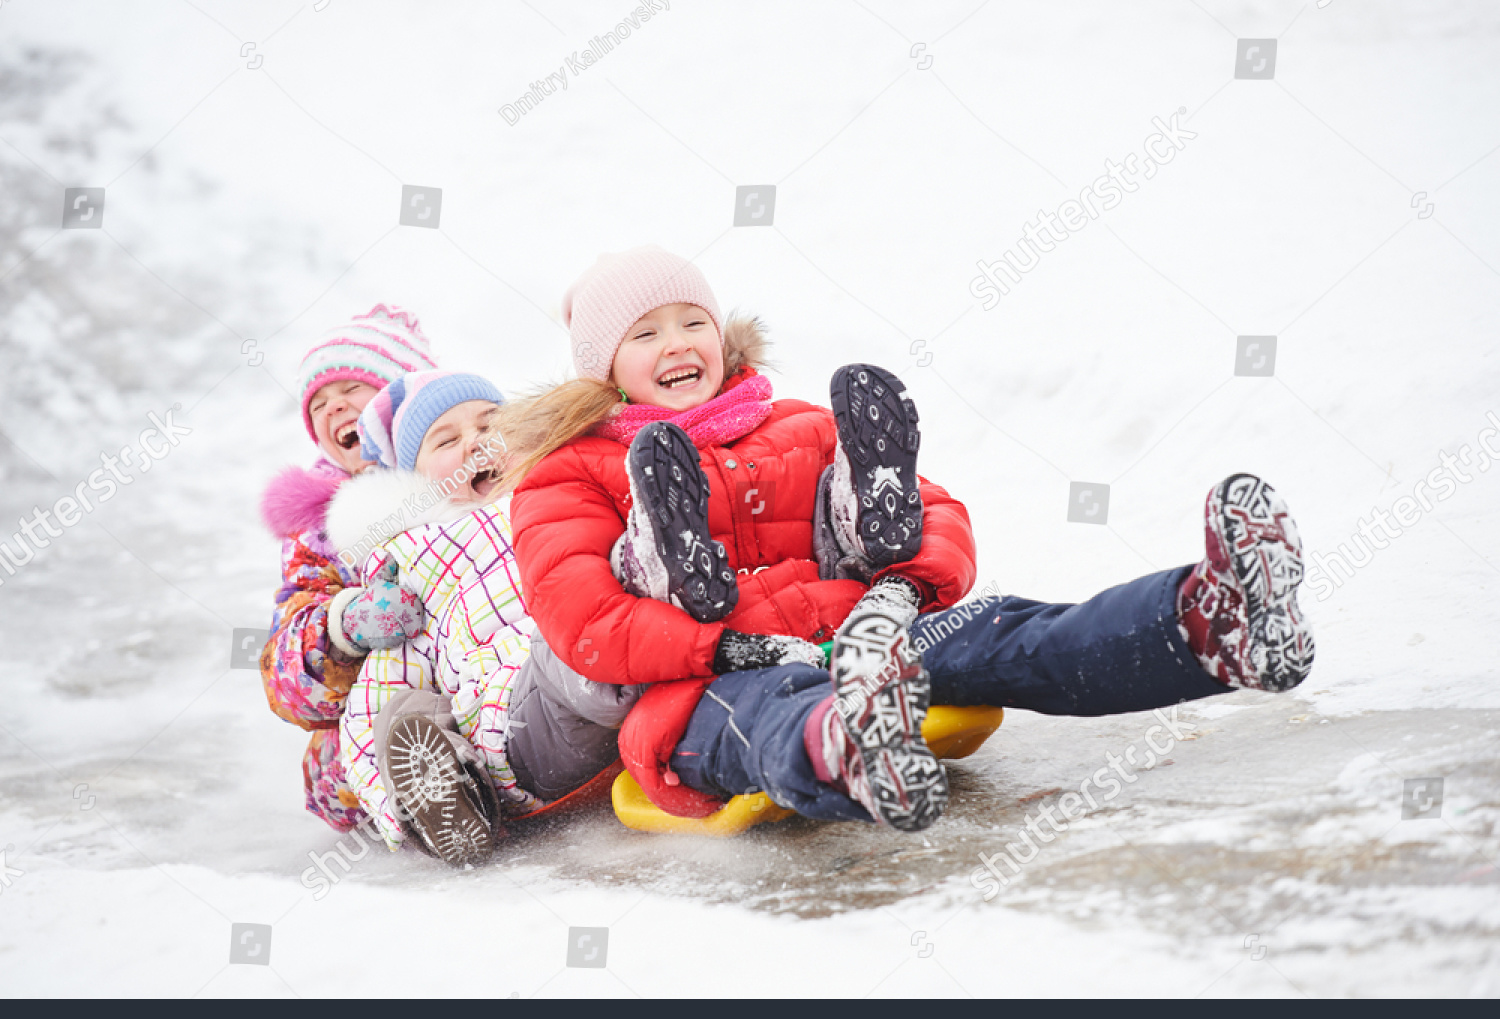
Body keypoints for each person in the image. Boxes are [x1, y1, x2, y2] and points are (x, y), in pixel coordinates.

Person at [502, 246, 1316, 835]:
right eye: (645, 334)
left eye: (693, 321)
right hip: (698, 685)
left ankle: (1212, 623)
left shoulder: (801, 427)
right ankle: (849, 736)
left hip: (862, 634)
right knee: (766, 713)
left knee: (1003, 629)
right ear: (602, 370)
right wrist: (724, 647)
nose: (678, 342)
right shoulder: (568, 474)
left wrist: (900, 588)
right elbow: (584, 622)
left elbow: (943, 511)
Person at [328, 372, 639, 864]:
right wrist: (395, 813)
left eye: (491, 424)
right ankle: (444, 796)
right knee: (401, 711)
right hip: (516, 730)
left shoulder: (570, 492)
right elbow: (370, 709)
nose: (475, 442)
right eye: (447, 440)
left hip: (615, 649)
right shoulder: (411, 571)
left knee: (622, 584)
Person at [258, 305, 437, 831]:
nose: (334, 407)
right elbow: (284, 681)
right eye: (318, 403)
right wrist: (343, 628)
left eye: (352, 390)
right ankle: (430, 796)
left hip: (480, 675)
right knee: (346, 751)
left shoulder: (466, 474)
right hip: (385, 706)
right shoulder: (318, 534)